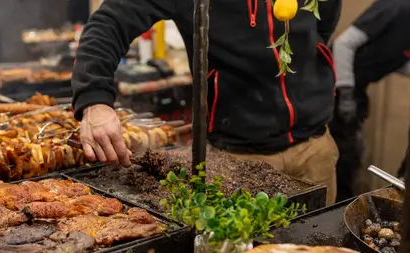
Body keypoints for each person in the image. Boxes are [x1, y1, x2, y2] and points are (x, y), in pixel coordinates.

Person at [72, 0, 342, 204]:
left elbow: (325, 20)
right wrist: (94, 101)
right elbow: (110, 22)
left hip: (316, 151)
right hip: (237, 161)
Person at [331, 0, 410, 200]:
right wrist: (346, 93)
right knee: (341, 159)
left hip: (357, 87)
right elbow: (343, 45)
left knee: (351, 158)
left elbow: (394, 60)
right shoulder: (396, 8)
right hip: (332, 83)